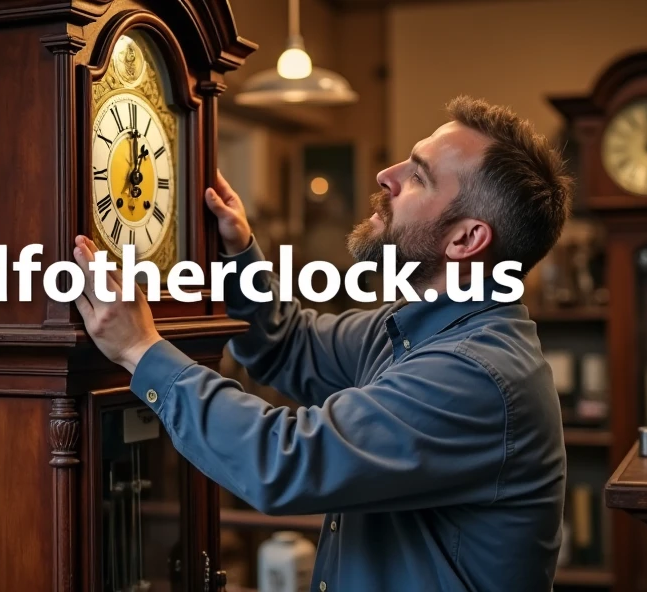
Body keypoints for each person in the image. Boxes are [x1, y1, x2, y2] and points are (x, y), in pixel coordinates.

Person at [71, 95, 573, 592]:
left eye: (418, 176)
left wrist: (140, 350)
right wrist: (239, 250)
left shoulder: (475, 375)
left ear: (465, 240)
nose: (386, 175)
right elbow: (290, 345)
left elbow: (285, 461)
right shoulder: (410, 328)